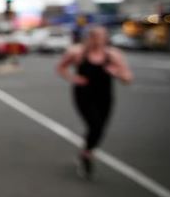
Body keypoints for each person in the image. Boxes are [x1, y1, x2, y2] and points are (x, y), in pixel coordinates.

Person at [56, 26, 133, 179]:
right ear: (88, 37)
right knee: (94, 124)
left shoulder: (112, 55)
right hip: (84, 94)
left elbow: (128, 78)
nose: (97, 39)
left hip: (104, 96)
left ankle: (86, 151)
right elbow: (61, 67)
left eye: (100, 36)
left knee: (100, 128)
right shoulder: (78, 53)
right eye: (94, 36)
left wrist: (117, 73)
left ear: (106, 38)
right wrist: (73, 78)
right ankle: (87, 156)